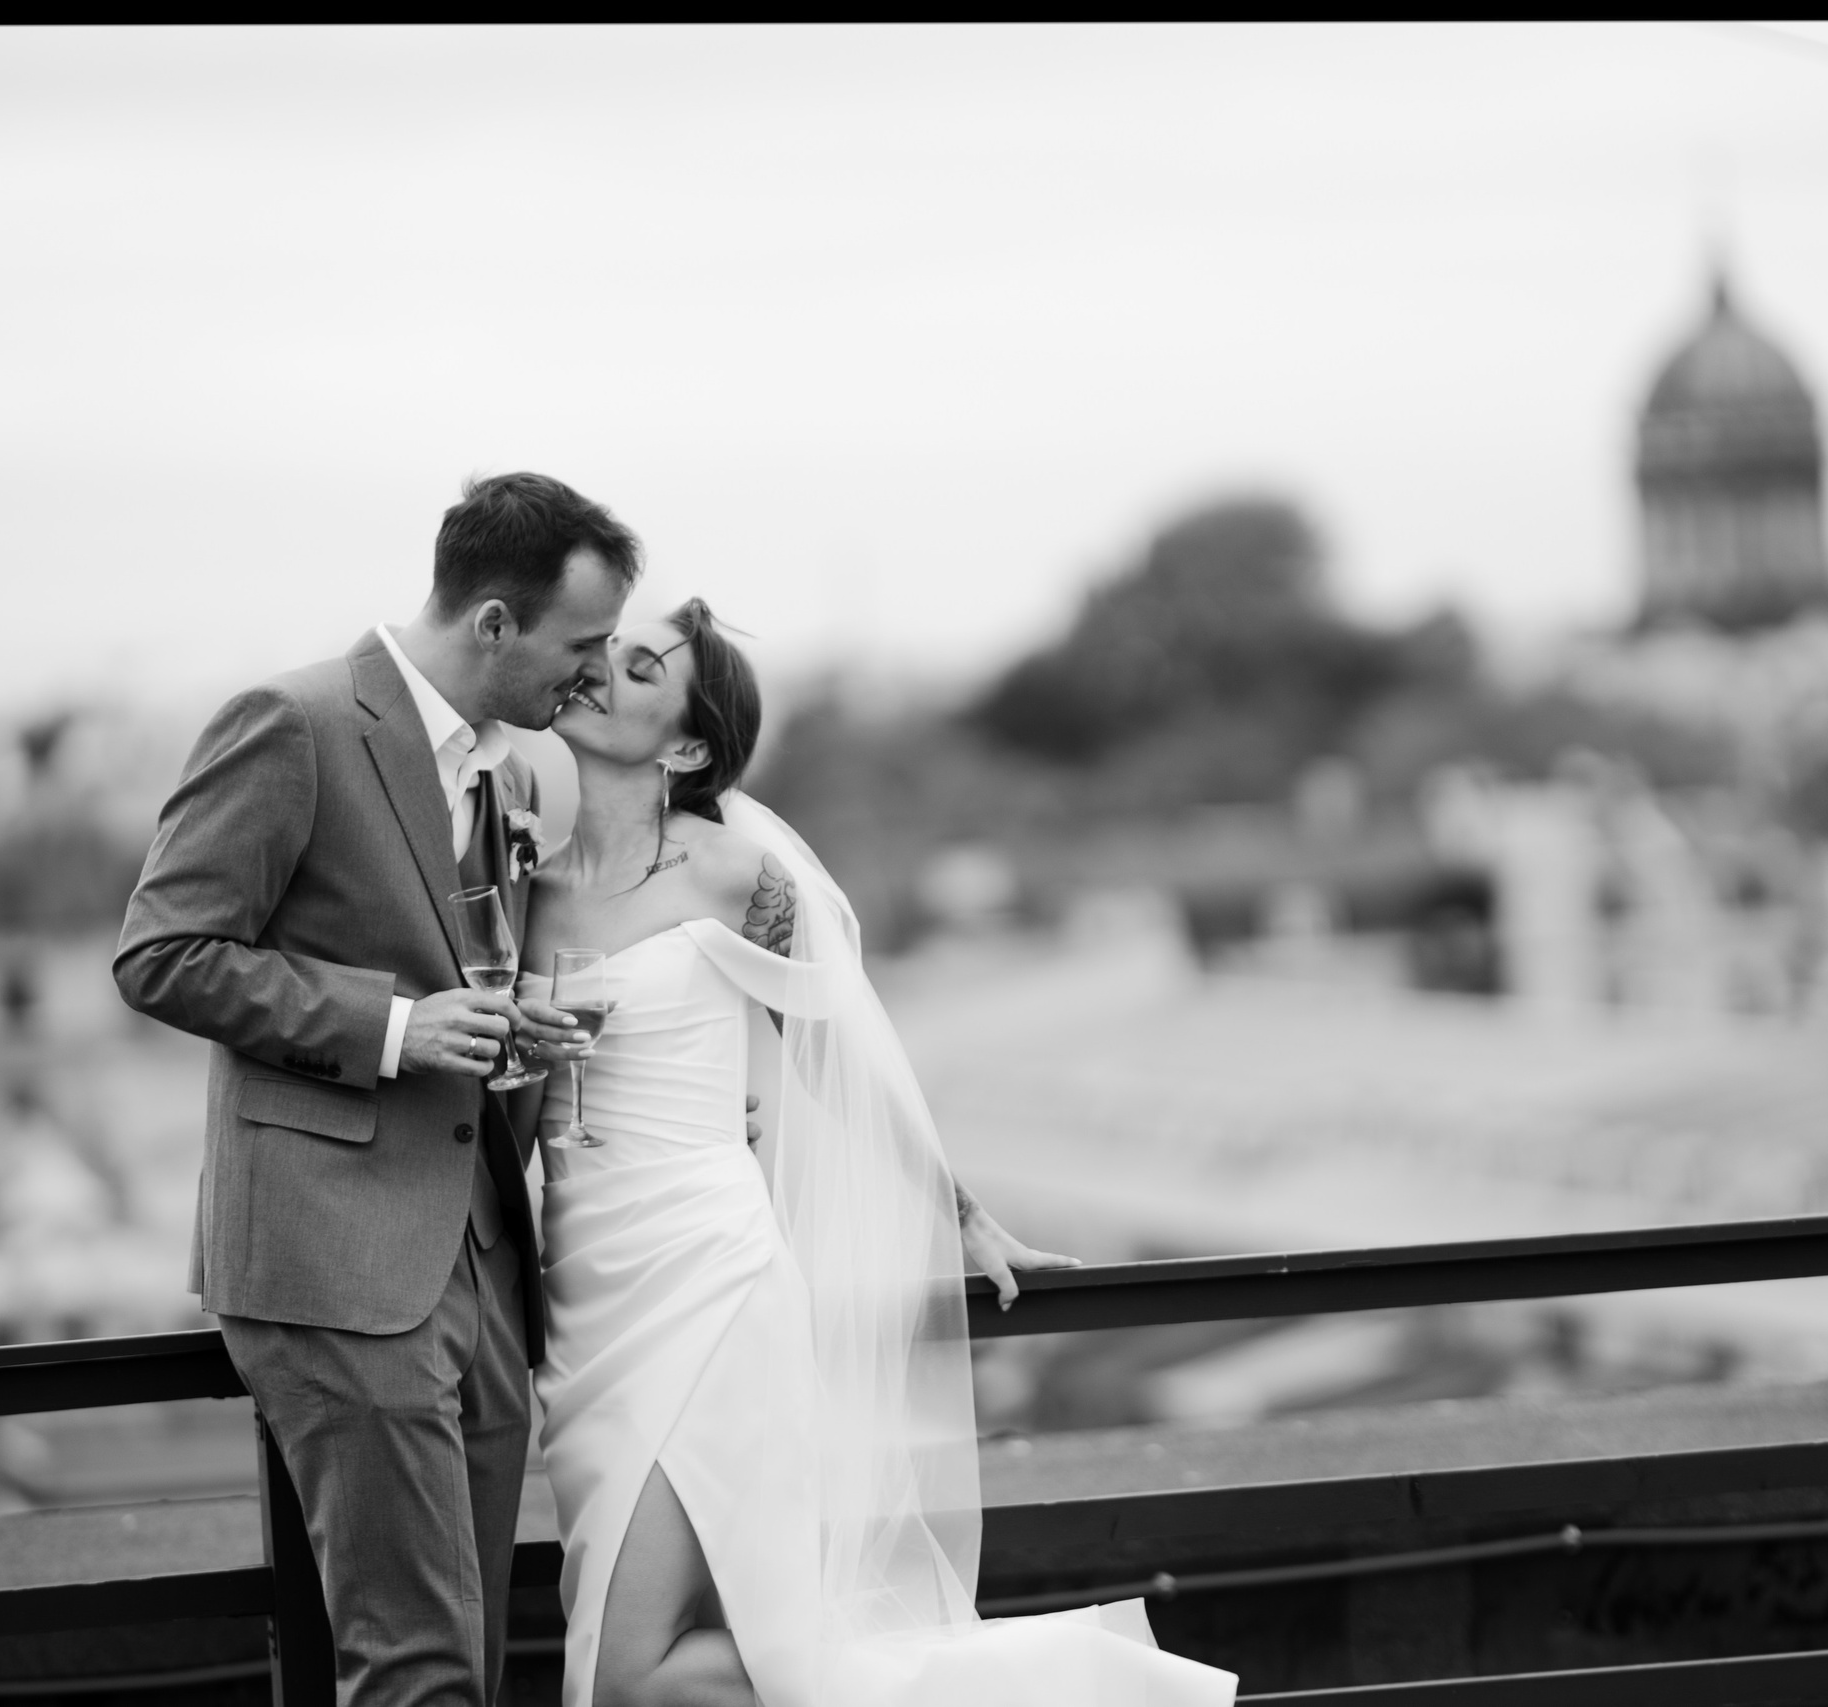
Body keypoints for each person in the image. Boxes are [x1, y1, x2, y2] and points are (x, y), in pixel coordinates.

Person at [515, 597, 1237, 1705]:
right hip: (580, 1297)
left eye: (642, 668)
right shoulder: (527, 883)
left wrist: (961, 1213)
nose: (605, 668)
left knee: (624, 1677)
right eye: (606, 649)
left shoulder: (729, 877)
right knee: (683, 1653)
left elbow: (837, 1058)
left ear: (691, 744)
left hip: (705, 1279)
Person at [115, 473, 628, 1704]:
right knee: (417, 1666)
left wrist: (506, 1033)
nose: (600, 676)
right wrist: (397, 1027)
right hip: (338, 1263)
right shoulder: (289, 722)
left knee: (472, 1649)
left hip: (478, 1260)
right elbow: (162, 955)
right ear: (495, 624)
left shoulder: (503, 775)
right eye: (585, 643)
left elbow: (447, 988)